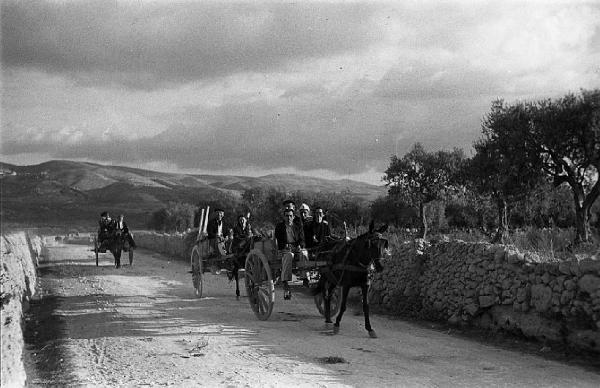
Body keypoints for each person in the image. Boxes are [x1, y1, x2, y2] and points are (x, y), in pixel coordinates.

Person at [274, 208, 308, 300]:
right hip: (284, 250)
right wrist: (285, 245)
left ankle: (304, 278)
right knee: (289, 255)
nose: (288, 217)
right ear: (284, 217)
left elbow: (302, 239)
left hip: (296, 248)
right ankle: (285, 282)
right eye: (287, 216)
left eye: (290, 216)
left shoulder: (298, 226)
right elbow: (278, 241)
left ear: (293, 217)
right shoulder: (279, 227)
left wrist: (300, 246)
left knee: (304, 253)